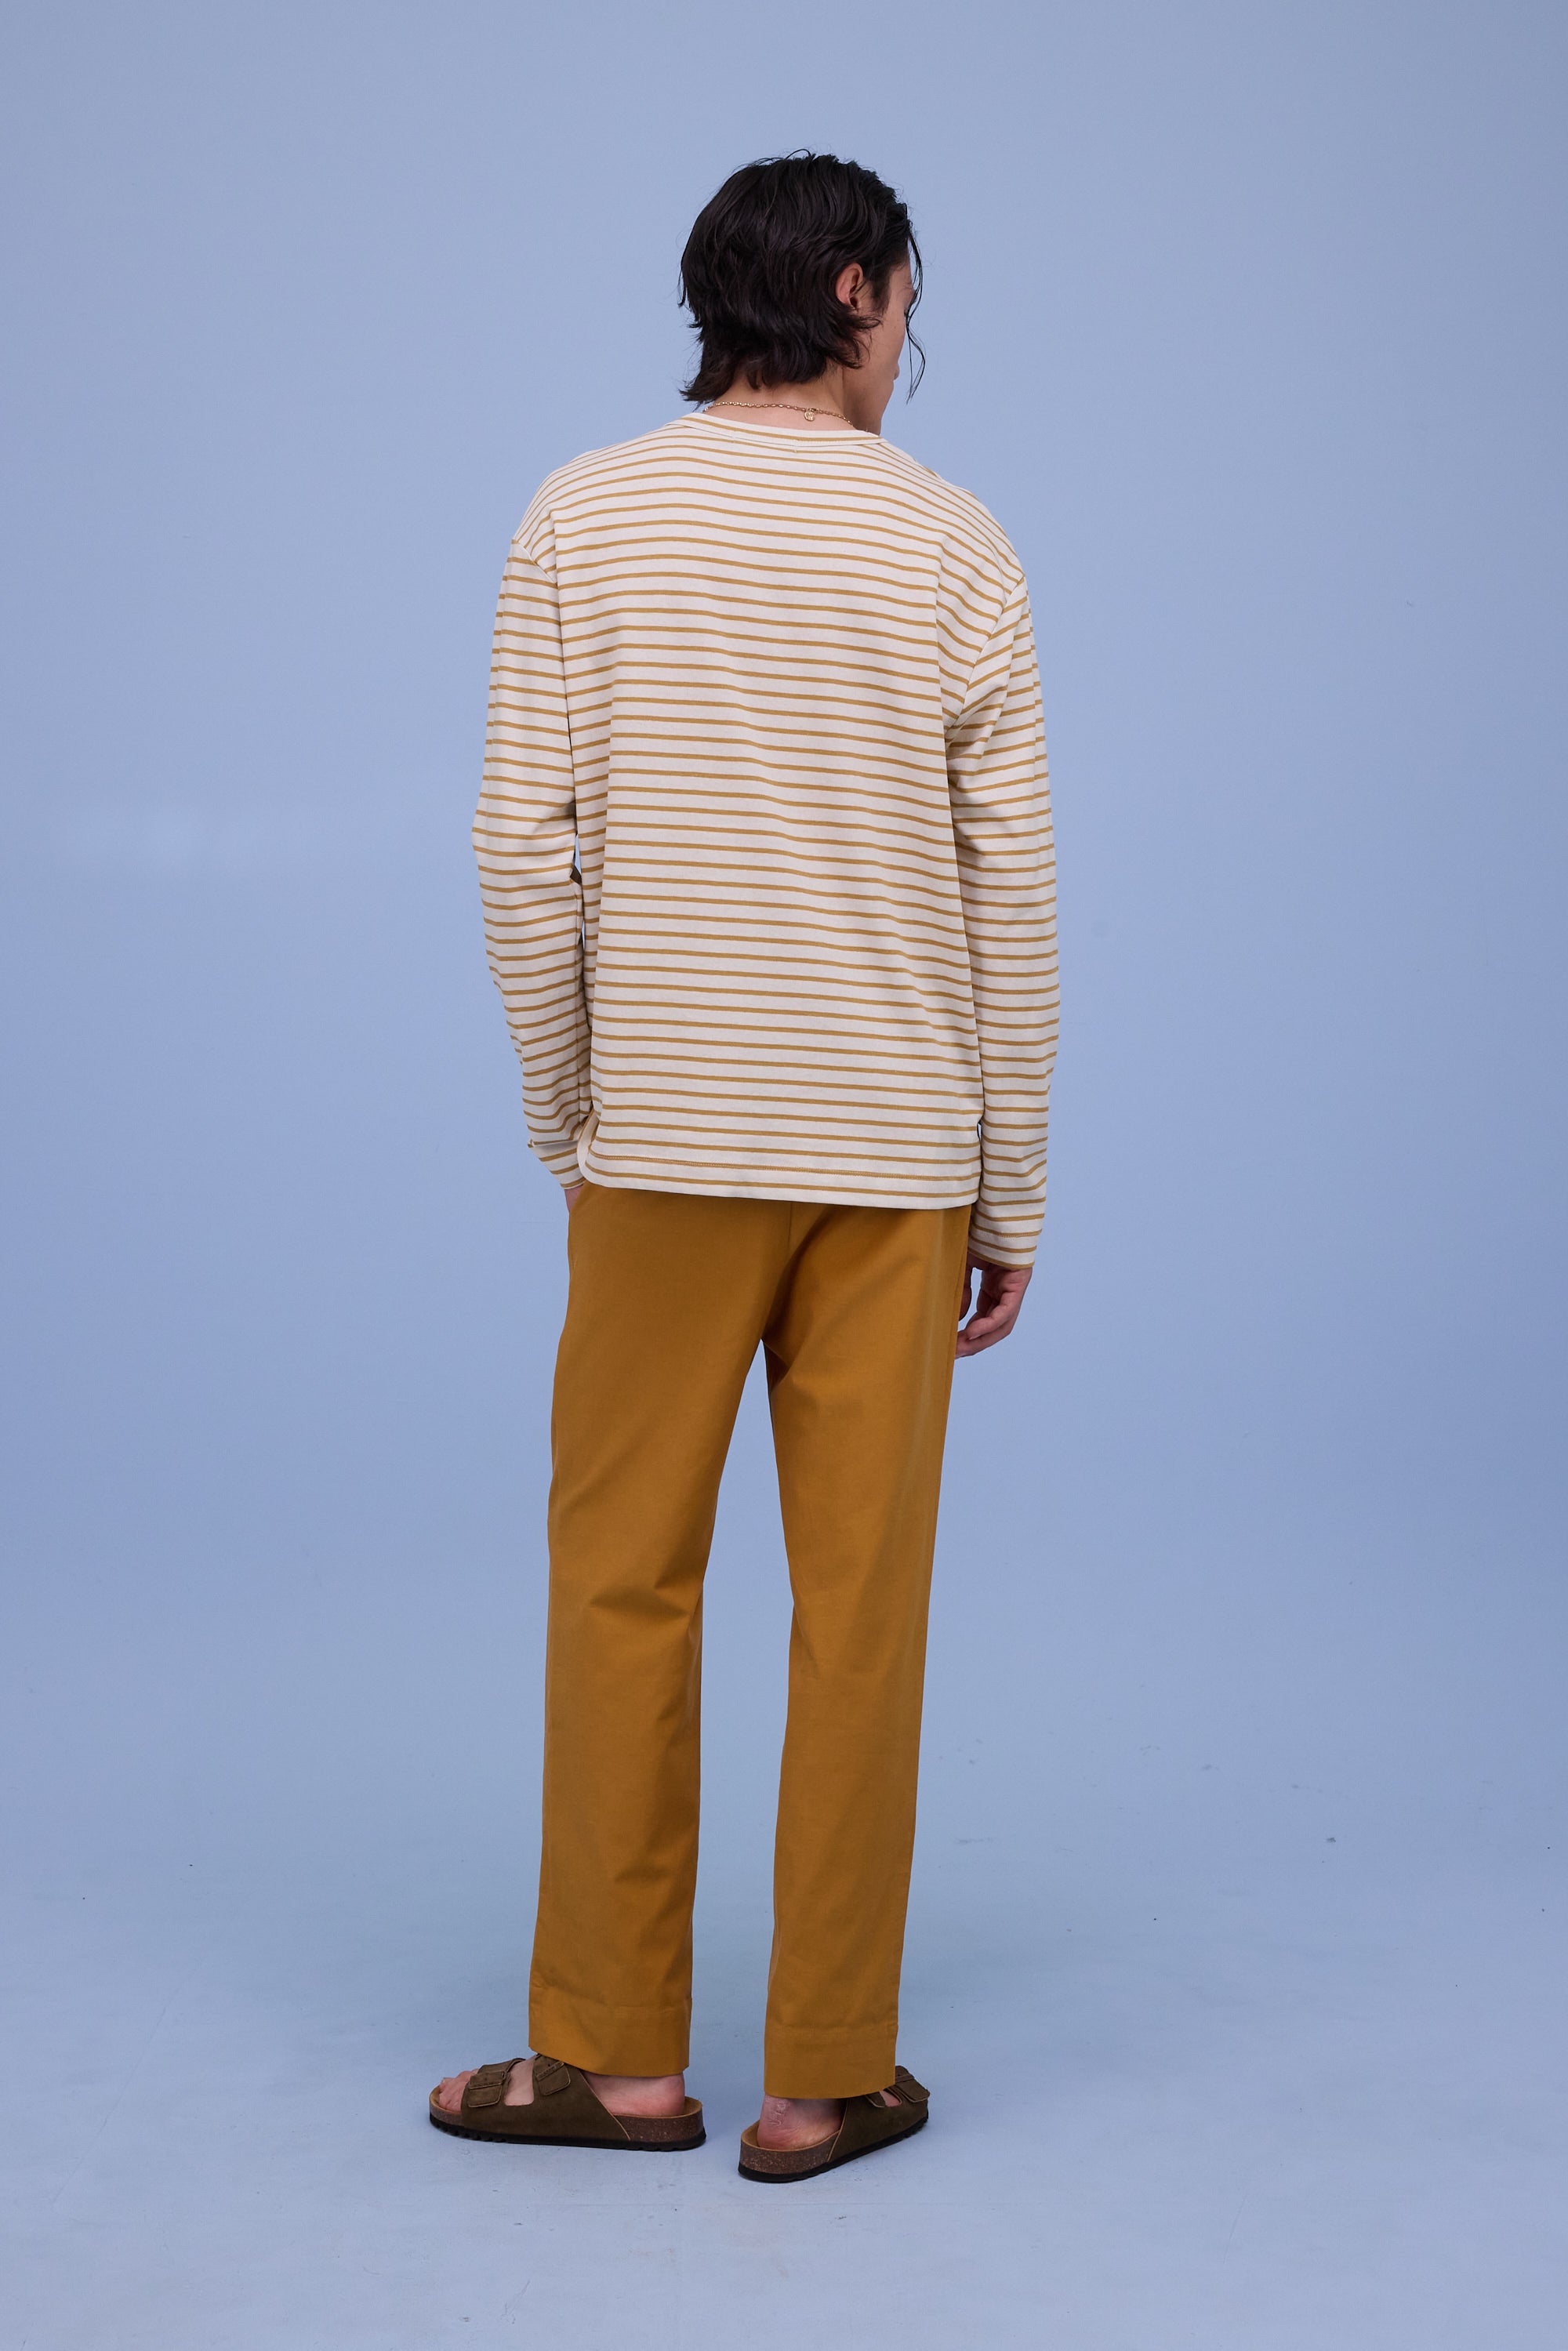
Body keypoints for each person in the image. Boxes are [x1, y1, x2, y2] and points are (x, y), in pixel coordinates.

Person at [430, 152, 1058, 2182]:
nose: (908, 343)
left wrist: (572, 1112)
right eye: (909, 306)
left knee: (623, 1579)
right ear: (857, 292)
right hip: (897, 1156)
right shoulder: (954, 539)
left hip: (667, 1145)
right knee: (863, 1610)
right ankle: (824, 2077)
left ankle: (613, 2064)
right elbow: (1010, 893)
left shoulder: (583, 513)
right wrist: (1013, 1188)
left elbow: (519, 850)